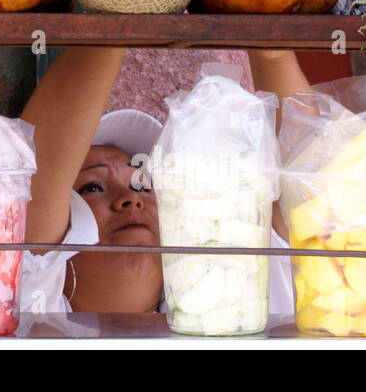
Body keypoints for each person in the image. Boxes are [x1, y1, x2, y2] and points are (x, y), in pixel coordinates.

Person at [19, 46, 311, 316]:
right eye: (92, 187)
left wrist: (273, 53)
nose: (131, 199)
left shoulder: (235, 285)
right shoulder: (28, 305)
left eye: (143, 185)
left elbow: (308, 198)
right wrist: (119, 13)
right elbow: (37, 189)